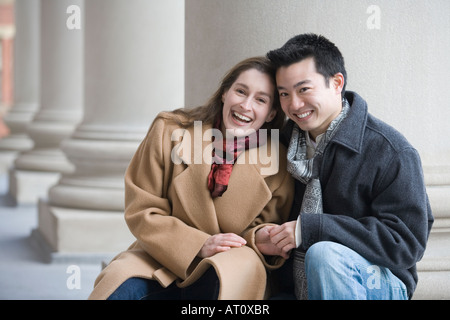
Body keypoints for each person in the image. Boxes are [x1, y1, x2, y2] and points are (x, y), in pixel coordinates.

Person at [88, 57, 294, 300]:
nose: (246, 106)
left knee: (227, 281)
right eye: (240, 91)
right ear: (224, 93)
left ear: (271, 114)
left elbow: (259, 228)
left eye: (260, 100)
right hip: (160, 255)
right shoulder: (168, 129)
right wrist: (198, 244)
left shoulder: (278, 163)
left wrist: (257, 237)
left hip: (228, 263)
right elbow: (142, 209)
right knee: (119, 293)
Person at [255, 33, 433, 300]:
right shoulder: (278, 144)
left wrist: (311, 229)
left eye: (304, 89)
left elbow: (405, 244)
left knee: (324, 255)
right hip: (293, 284)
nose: (294, 104)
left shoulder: (390, 150)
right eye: (284, 94)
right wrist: (262, 235)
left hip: (379, 281)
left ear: (337, 83)